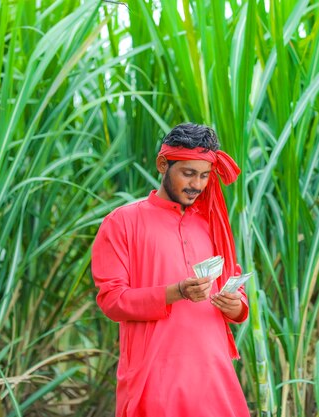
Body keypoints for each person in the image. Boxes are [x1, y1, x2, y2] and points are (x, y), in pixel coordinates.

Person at [91, 123, 250, 417]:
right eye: (188, 173)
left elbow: (236, 291)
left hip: (214, 378)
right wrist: (176, 292)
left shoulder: (210, 223)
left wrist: (236, 305)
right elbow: (111, 301)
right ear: (163, 165)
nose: (197, 185)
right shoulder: (122, 223)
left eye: (204, 175)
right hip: (154, 379)